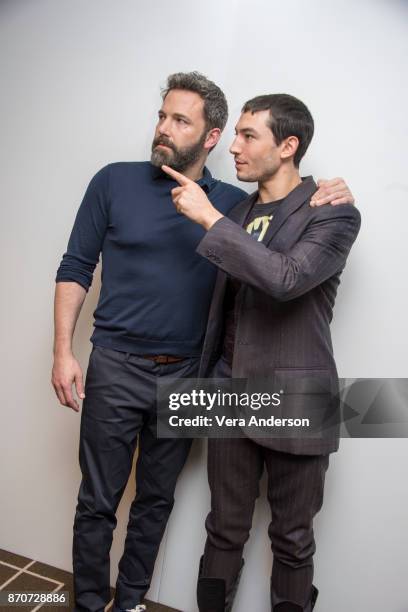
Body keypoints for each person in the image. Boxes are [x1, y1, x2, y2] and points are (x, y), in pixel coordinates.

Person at [52, 70, 353, 612]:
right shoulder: (211, 203)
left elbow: (285, 274)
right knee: (204, 527)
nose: (164, 128)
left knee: (271, 533)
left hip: (255, 390)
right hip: (170, 379)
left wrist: (328, 189)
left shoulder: (257, 207)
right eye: (161, 116)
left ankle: (133, 600)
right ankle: (94, 604)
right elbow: (78, 265)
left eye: (245, 135)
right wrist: (63, 351)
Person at [162, 93, 361, 612]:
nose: (235, 146)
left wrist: (208, 219)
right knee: (223, 529)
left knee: (292, 541)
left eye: (249, 135)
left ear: (288, 145)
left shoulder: (333, 213)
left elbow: (286, 278)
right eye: (236, 134)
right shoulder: (238, 207)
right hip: (229, 391)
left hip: (299, 398)